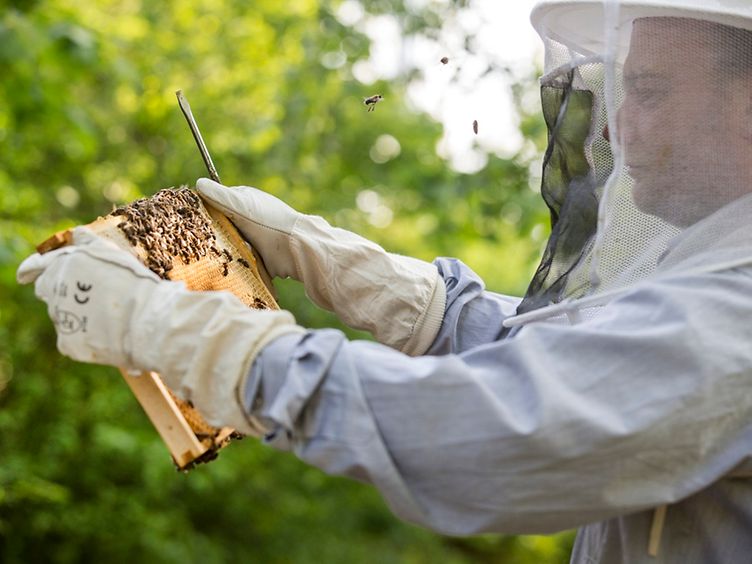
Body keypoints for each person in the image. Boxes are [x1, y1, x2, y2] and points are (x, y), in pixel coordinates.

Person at [17, 1, 752, 562]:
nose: (617, 127)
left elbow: (491, 435)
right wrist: (357, 274)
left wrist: (176, 332)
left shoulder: (734, 312)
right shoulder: (707, 264)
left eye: (649, 91)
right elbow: (575, 361)